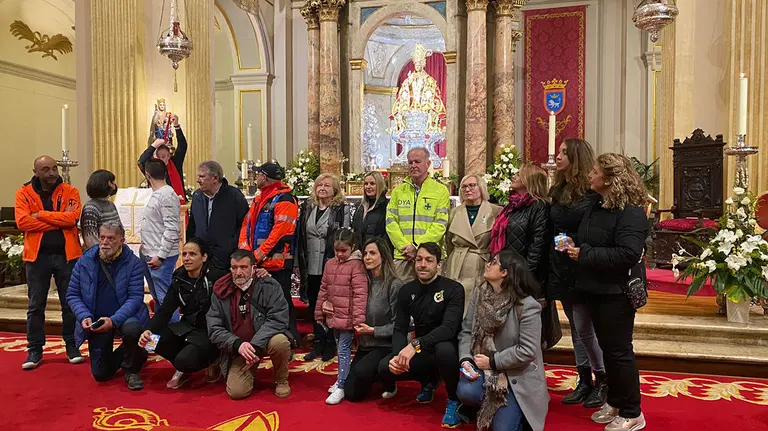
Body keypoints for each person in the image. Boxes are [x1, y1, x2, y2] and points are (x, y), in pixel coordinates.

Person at [564, 153, 649, 431]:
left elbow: (628, 253)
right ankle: (614, 400)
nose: (590, 174)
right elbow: (591, 239)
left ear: (611, 179)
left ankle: (632, 410)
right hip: (595, 288)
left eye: (596, 171)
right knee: (607, 350)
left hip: (617, 292)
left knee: (619, 352)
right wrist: (572, 243)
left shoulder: (631, 211)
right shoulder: (597, 205)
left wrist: (583, 254)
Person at [457, 250, 549, 431]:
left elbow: (527, 351)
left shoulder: (527, 305)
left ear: (504, 272)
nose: (488, 264)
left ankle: (519, 412)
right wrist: (466, 360)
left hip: (515, 375)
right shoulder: (480, 293)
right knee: (466, 392)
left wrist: (492, 361)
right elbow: (467, 331)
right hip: (483, 366)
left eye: (494, 262)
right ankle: (483, 404)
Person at [378, 242, 465, 428]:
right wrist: (397, 356)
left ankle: (453, 399)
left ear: (438, 265)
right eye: (419, 259)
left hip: (447, 346)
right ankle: (428, 381)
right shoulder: (407, 290)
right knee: (385, 368)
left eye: (429, 260)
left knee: (444, 351)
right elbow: (400, 328)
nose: (422, 264)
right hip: (422, 349)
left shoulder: (454, 289)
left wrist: (414, 345)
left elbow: (449, 328)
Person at [548, 138, 607, 408]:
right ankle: (584, 380)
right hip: (562, 265)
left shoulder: (591, 193)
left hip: (583, 265)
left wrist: (578, 246)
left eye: (563, 152)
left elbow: (596, 231)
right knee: (575, 326)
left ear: (576, 156)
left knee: (586, 328)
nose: (557, 156)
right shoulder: (558, 188)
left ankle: (602, 380)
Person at [15, 155, 83, 369]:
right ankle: (34, 350)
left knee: (69, 304)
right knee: (36, 306)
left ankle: (72, 346)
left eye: (54, 168)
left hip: (66, 255)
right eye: (46, 169)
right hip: (37, 258)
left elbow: (72, 218)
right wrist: (57, 221)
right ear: (36, 172)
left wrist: (41, 215)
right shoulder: (23, 193)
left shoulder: (70, 191)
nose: (52, 173)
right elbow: (22, 222)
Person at [66, 222, 149, 390]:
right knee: (100, 374)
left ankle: (131, 369)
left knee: (132, 330)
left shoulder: (133, 263)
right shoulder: (85, 261)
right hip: (97, 319)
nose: (105, 242)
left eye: (111, 238)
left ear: (122, 240)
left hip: (125, 316)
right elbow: (72, 294)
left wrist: (113, 320)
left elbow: (135, 298)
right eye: (102, 237)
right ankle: (138, 351)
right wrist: (84, 316)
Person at [139, 238, 226, 389]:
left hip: (209, 332)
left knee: (184, 360)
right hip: (186, 327)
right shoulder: (178, 278)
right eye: (184, 254)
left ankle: (212, 360)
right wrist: (148, 330)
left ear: (204, 257)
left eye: (192, 254)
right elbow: (165, 310)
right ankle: (184, 366)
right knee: (150, 340)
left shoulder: (217, 277)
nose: (187, 258)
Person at [206, 249, 293, 399]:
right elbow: (214, 328)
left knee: (280, 342)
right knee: (237, 392)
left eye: (244, 267)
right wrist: (237, 345)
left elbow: (279, 319)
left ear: (254, 269)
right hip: (239, 348)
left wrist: (255, 345)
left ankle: (281, 380)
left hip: (263, 342)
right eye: (234, 268)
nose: (238, 272)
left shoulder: (269, 286)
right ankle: (247, 371)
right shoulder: (220, 291)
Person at [239, 160, 301, 345]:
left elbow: (280, 233)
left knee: (281, 301)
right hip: (257, 261)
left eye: (258, 174)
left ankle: (290, 337)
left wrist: (256, 256)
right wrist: (245, 252)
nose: (255, 177)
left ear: (264, 177)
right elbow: (246, 225)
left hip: (277, 262)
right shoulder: (259, 198)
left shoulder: (285, 199)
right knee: (260, 302)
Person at [297, 173, 350, 361]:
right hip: (310, 263)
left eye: (327, 185)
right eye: (319, 185)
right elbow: (300, 235)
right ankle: (318, 340)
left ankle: (330, 342)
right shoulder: (307, 207)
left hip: (330, 262)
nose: (322, 188)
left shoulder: (340, 208)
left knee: (331, 304)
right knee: (314, 304)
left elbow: (344, 235)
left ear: (334, 189)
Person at [344, 237, 403, 402]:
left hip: (385, 345)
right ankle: (374, 373)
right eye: (365, 253)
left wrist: (373, 330)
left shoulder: (394, 285)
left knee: (362, 372)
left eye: (372, 253)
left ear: (383, 256)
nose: (367, 257)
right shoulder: (362, 282)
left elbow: (401, 326)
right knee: (351, 394)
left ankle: (388, 379)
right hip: (364, 345)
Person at [314, 229, 368, 405]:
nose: (339, 254)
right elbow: (324, 289)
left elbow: (361, 294)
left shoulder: (357, 266)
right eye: (336, 250)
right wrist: (319, 310)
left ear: (352, 247)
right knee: (340, 349)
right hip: (334, 316)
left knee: (344, 351)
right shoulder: (330, 263)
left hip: (349, 318)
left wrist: (358, 320)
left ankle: (342, 385)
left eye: (343, 250)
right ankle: (342, 378)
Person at [386, 147, 450, 282]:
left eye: (417, 161)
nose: (413, 165)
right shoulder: (398, 191)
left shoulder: (440, 190)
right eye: (410, 162)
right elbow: (390, 222)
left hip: (429, 257)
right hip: (403, 256)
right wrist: (405, 247)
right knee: (403, 298)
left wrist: (417, 247)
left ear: (428, 164)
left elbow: (440, 224)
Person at [443, 175, 501, 315]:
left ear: (481, 188)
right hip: (458, 263)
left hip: (482, 263)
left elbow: (498, 241)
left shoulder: (495, 211)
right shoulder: (454, 213)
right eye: (464, 186)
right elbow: (448, 241)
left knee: (479, 306)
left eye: (472, 185)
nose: (467, 189)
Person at [489, 164, 551, 291]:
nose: (514, 176)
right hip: (507, 268)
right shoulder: (512, 205)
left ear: (528, 179)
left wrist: (525, 274)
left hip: (523, 273)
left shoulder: (539, 206)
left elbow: (538, 245)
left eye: (518, 174)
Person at [187, 160, 249, 276]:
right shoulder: (197, 196)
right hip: (202, 259)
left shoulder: (234, 196)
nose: (198, 180)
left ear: (215, 178)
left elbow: (244, 225)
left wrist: (230, 246)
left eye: (202, 176)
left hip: (225, 260)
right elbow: (192, 225)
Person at [141, 159, 182, 321]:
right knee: (159, 301)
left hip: (159, 257)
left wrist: (161, 256)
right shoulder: (159, 194)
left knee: (166, 303)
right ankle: (160, 341)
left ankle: (173, 340)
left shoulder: (166, 195)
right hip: (150, 253)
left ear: (147, 175)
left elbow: (172, 229)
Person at [138, 112, 188, 203]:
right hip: (157, 205)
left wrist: (176, 126)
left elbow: (182, 146)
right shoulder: (152, 167)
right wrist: (153, 145)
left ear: (169, 156)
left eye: (164, 156)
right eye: (159, 156)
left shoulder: (175, 163)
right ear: (154, 156)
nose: (162, 159)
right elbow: (141, 161)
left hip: (176, 204)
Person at [351, 171, 392, 251]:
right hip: (360, 253)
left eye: (372, 184)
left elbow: (387, 235)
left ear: (380, 185)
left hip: (379, 253)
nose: (368, 187)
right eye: (366, 184)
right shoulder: (359, 206)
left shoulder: (386, 206)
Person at [81, 169, 121, 249]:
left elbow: (119, 229)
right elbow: (91, 239)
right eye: (112, 182)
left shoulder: (111, 205)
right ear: (108, 184)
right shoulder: (90, 208)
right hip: (101, 255)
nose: (114, 185)